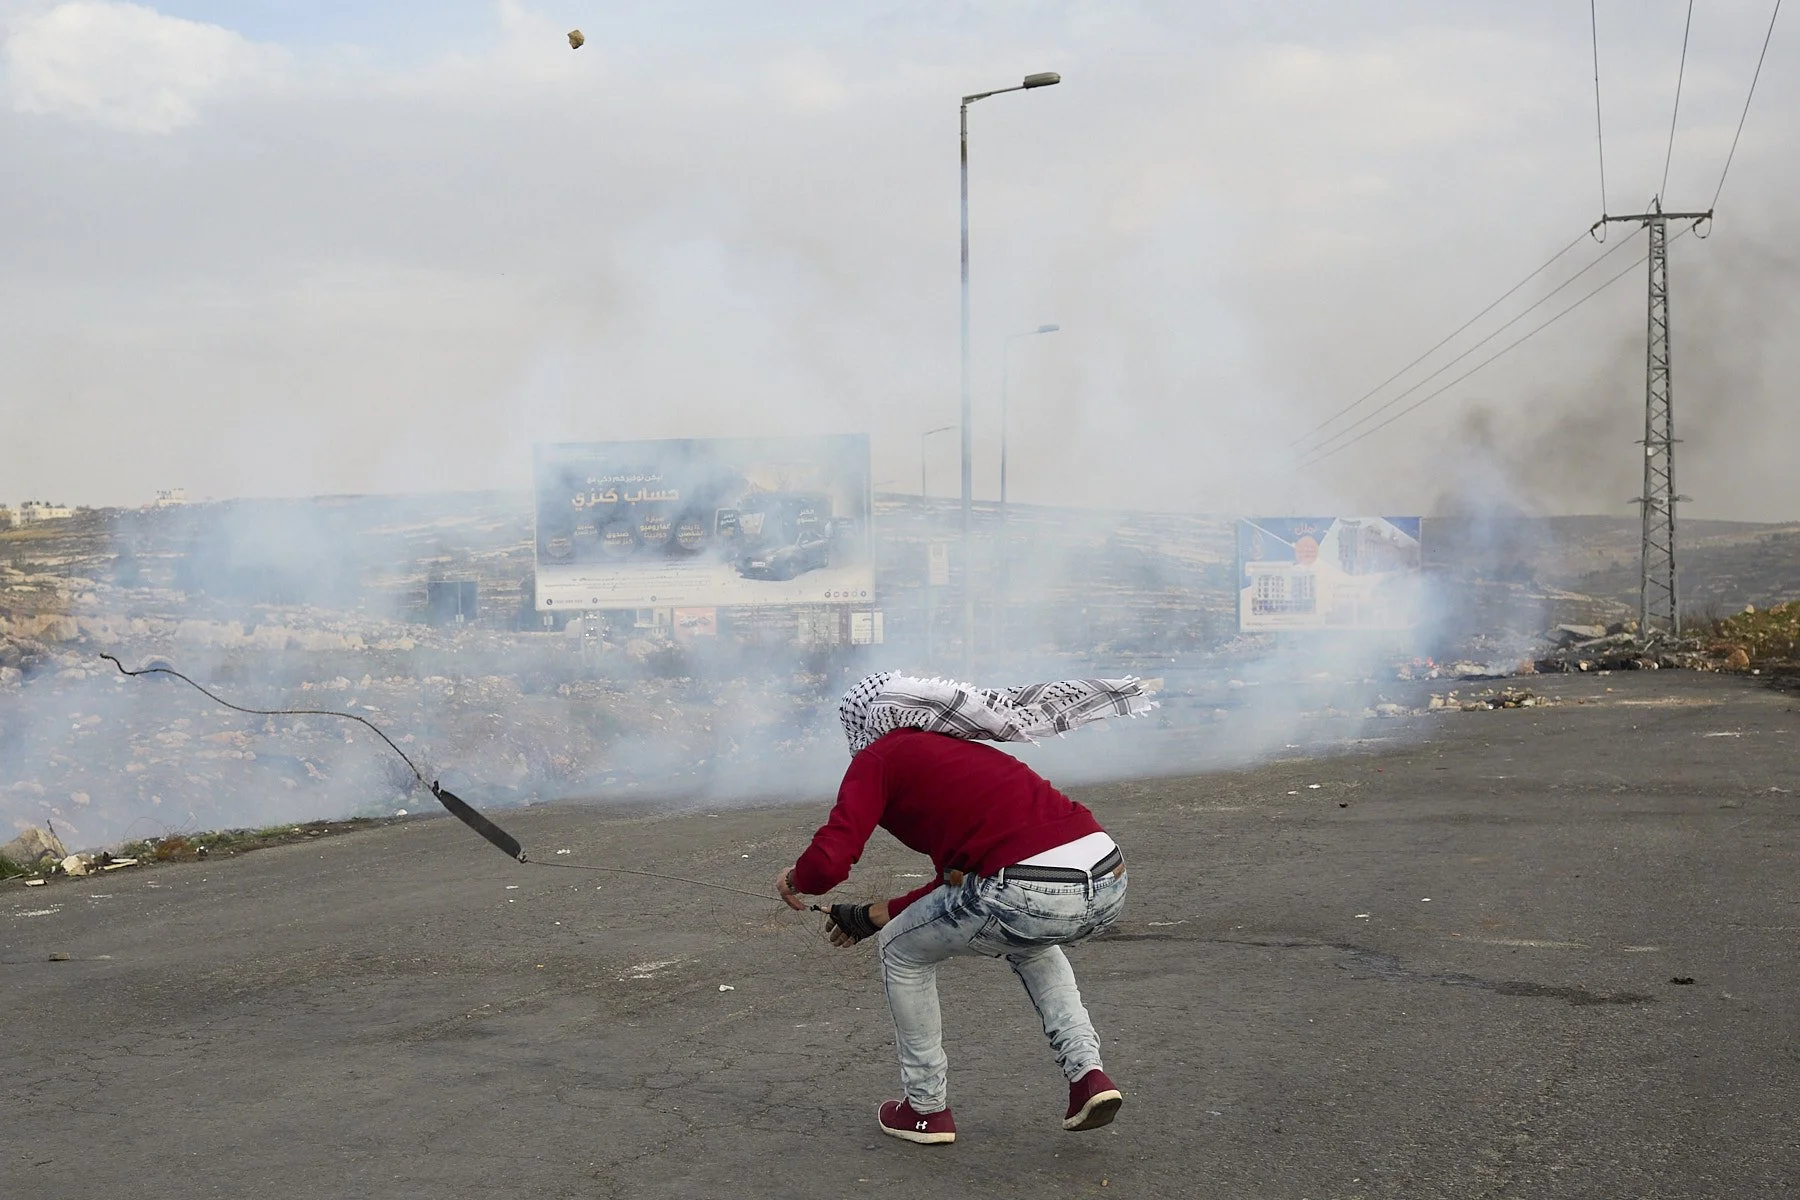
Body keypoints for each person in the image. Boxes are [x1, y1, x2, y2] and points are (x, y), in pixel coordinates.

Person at [776, 672, 1156, 1145]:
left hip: (1023, 889)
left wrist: (797, 879)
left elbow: (830, 862)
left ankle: (925, 1110)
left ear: (865, 721)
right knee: (1030, 940)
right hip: (1107, 874)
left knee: (902, 950)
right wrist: (870, 915)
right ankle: (1088, 1077)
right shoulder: (959, 752)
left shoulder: (880, 756)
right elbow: (956, 885)